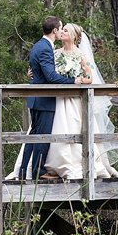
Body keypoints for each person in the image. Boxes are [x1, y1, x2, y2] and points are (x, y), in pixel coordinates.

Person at [8, 22, 118, 180]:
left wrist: (78, 80)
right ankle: (45, 168)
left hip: (73, 100)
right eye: (62, 29)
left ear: (74, 36)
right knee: (48, 131)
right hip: (56, 99)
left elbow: (89, 78)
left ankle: (75, 166)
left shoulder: (80, 55)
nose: (62, 32)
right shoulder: (54, 52)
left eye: (66, 30)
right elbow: (46, 71)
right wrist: (33, 72)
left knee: (74, 130)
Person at [17, 16, 84, 180]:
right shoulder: (46, 48)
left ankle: (24, 170)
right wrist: (73, 81)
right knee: (41, 137)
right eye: (61, 28)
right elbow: (51, 77)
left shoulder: (38, 45)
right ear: (55, 31)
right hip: (43, 99)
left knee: (33, 137)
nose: (62, 31)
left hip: (37, 98)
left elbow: (40, 71)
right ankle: (36, 172)